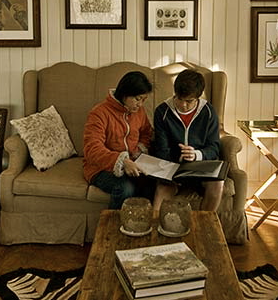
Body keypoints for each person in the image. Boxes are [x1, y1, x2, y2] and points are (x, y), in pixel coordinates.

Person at [151, 69, 224, 213]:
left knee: (217, 184)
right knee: (160, 194)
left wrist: (196, 154)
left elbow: (214, 147)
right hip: (172, 168)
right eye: (179, 98)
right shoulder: (162, 112)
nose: (183, 105)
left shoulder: (209, 112)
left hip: (201, 167)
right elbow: (161, 149)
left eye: (189, 101)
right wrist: (178, 157)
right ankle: (157, 232)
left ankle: (204, 225)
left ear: (198, 97)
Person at [83, 71, 154, 209]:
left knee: (150, 184)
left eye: (143, 100)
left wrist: (138, 151)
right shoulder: (99, 113)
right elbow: (92, 149)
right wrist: (122, 161)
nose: (140, 104)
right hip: (99, 168)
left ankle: (141, 224)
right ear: (125, 94)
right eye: (137, 99)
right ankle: (112, 228)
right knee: (125, 188)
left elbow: (146, 133)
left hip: (132, 163)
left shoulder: (139, 112)